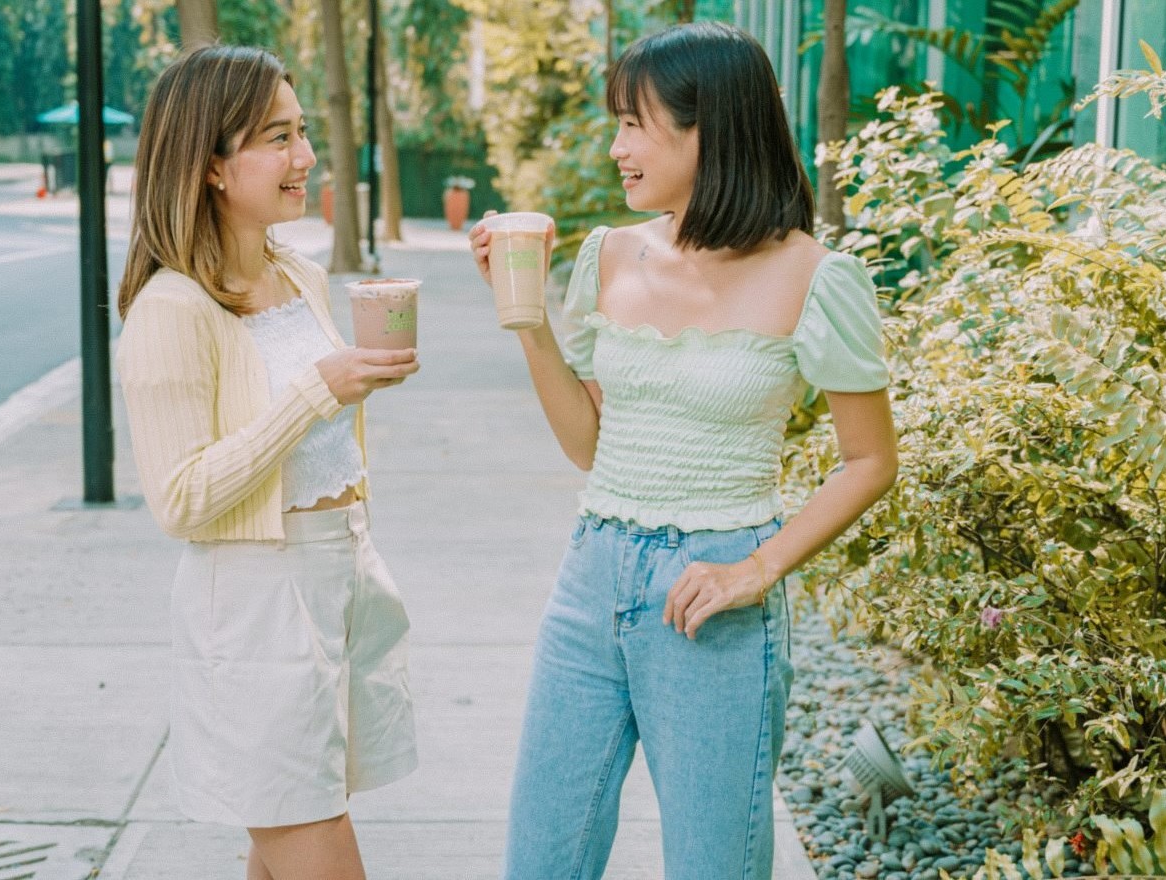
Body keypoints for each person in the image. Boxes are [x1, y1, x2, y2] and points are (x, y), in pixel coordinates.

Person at [467, 21, 898, 880]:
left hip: (715, 603)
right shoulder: (610, 255)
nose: (617, 146)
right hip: (591, 580)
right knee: (541, 861)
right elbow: (592, 446)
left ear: (713, 128)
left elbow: (871, 460)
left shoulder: (816, 277)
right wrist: (526, 323)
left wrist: (758, 569)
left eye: (635, 122)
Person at [115, 45, 420, 880]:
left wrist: (353, 384)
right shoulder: (171, 306)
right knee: (310, 835)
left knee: (285, 837)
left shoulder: (301, 275)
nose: (307, 158)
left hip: (341, 579)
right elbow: (182, 500)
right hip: (255, 607)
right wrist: (316, 395)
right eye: (278, 138)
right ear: (212, 165)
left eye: (303, 131)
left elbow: (305, 431)